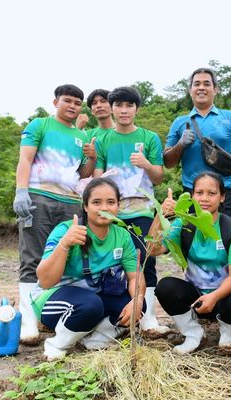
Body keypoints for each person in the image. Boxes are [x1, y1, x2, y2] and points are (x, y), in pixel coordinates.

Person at [13, 84, 97, 344]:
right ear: (55, 102)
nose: (72, 106)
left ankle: (51, 313)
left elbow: (83, 174)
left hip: (70, 201)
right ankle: (28, 320)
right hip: (38, 197)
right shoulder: (39, 125)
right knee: (32, 256)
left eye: (77, 103)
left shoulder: (82, 137)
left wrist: (91, 158)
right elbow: (25, 159)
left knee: (65, 259)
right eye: (67, 101)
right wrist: (21, 191)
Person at [30, 178, 145, 360]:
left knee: (137, 304)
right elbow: (45, 281)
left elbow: (134, 277)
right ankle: (58, 344)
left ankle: (95, 340)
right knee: (90, 305)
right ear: (85, 206)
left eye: (111, 202)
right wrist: (65, 244)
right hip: (54, 299)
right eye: (96, 202)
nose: (104, 208)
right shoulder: (66, 230)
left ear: (118, 206)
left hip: (93, 297)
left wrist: (138, 300)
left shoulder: (122, 235)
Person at [149, 172, 231, 353]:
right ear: (192, 196)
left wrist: (214, 297)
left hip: (223, 298)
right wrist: (160, 216)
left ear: (222, 197)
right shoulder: (182, 224)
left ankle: (229, 333)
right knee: (165, 287)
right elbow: (153, 249)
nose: (205, 198)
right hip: (194, 298)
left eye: (211, 193)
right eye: (199, 193)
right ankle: (193, 333)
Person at [93, 86, 168, 334]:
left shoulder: (149, 138)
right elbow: (96, 178)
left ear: (136, 109)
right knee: (109, 263)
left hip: (141, 209)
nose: (124, 110)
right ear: (112, 109)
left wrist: (146, 163)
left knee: (145, 262)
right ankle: (115, 315)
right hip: (111, 211)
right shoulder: (103, 139)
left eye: (129, 106)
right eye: (119, 106)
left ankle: (148, 318)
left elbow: (158, 177)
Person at [163, 67, 231, 222]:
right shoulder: (179, 122)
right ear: (190, 89)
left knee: (228, 239)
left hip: (227, 192)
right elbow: (168, 162)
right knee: (193, 241)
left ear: (215, 89)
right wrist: (180, 144)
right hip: (193, 193)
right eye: (196, 84)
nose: (201, 87)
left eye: (206, 84)